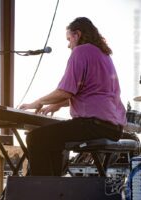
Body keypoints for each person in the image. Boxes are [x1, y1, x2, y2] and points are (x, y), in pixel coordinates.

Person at [20, 17, 127, 176]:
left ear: (77, 34)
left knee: (36, 138)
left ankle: (44, 190)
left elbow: (66, 91)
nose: (68, 45)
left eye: (69, 39)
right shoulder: (103, 55)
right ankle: (54, 189)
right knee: (53, 140)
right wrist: (57, 105)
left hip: (93, 125)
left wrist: (37, 102)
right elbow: (90, 91)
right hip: (113, 127)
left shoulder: (81, 51)